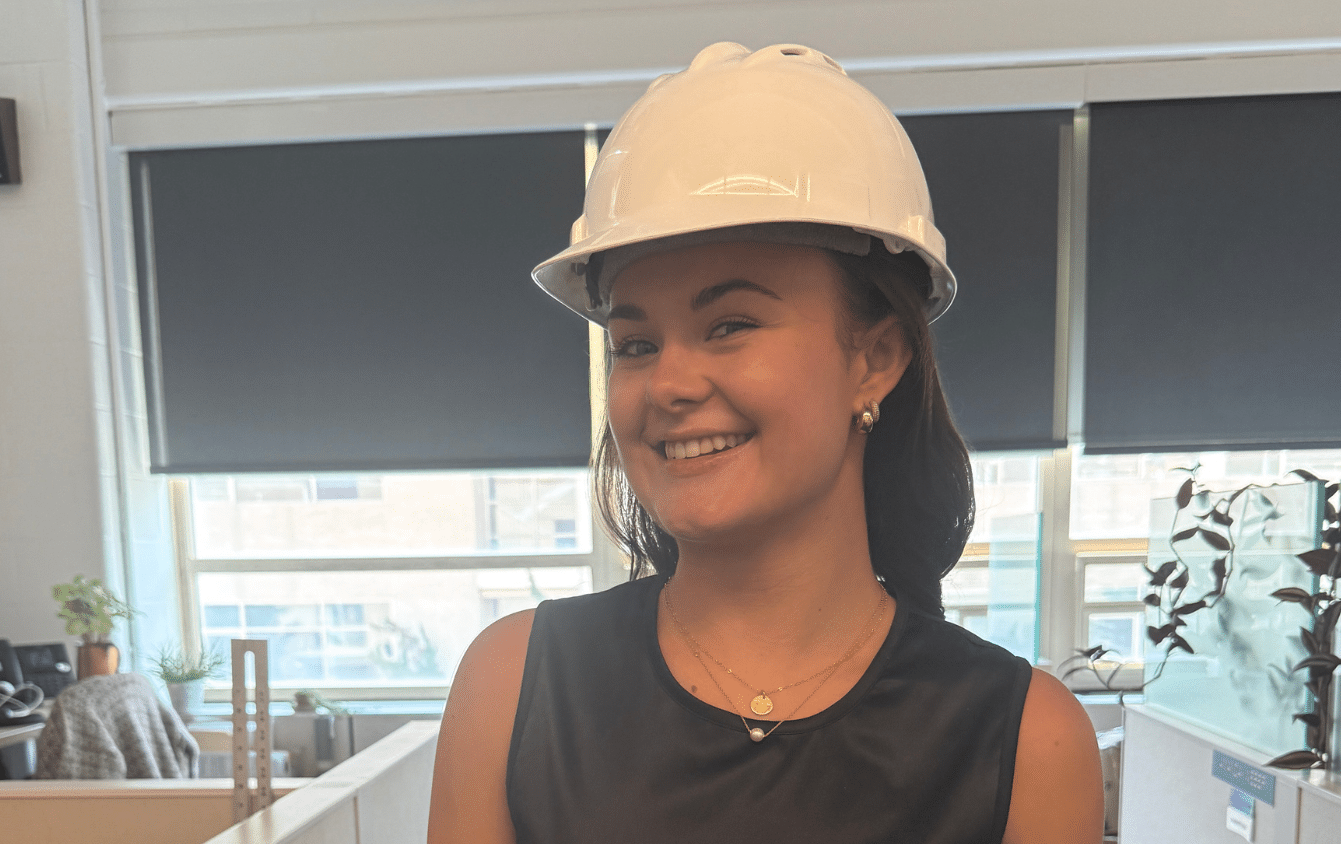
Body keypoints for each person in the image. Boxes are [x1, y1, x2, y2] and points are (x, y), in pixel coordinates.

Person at [428, 41, 1104, 844]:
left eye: (730, 325)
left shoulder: (1027, 739)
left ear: (875, 359)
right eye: (636, 344)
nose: (671, 384)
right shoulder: (515, 687)